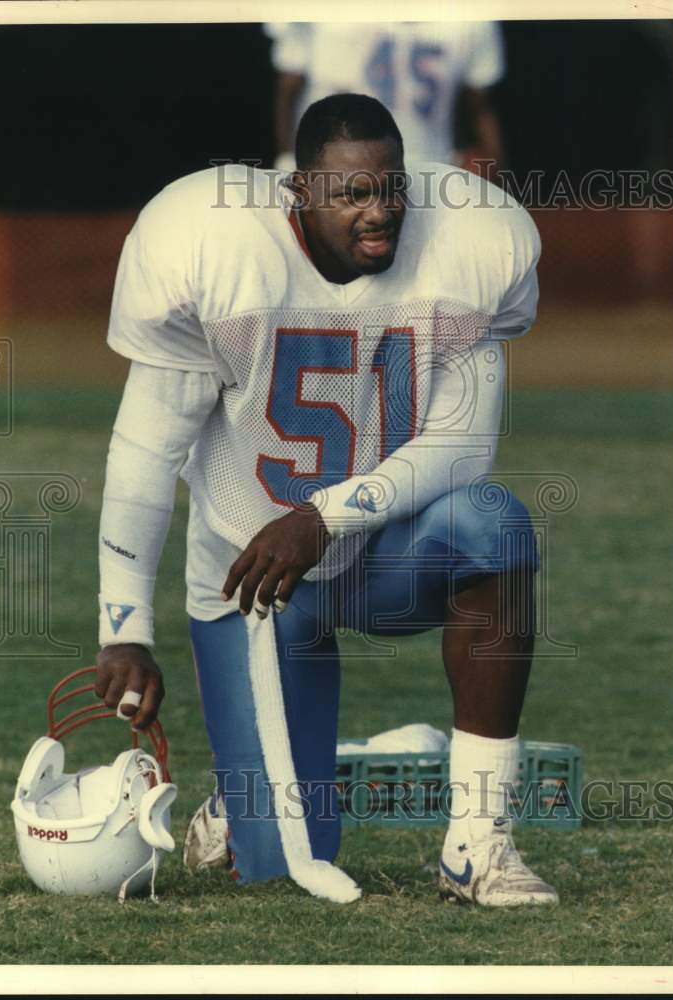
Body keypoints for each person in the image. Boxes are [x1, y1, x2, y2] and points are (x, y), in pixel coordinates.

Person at [94, 93, 558, 907]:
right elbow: (144, 456)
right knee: (277, 865)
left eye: (391, 189)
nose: (379, 213)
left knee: (495, 525)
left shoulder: (473, 244)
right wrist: (123, 629)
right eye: (350, 195)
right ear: (298, 192)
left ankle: (477, 843)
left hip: (383, 550)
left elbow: (463, 446)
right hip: (254, 579)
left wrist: (323, 516)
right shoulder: (212, 246)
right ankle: (249, 800)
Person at [265, 21, 505, 173]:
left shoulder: (470, 21)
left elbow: (479, 106)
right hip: (336, 174)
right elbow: (287, 88)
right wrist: (288, 160)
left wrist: (494, 168)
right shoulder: (328, 17)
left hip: (428, 176)